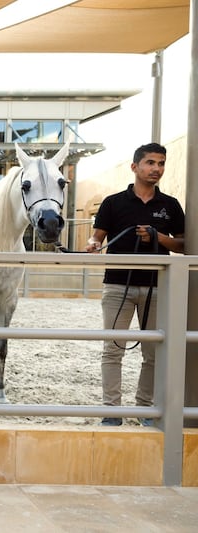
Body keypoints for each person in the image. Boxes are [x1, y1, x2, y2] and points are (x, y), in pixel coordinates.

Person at [86, 142, 185, 427]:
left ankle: (145, 410)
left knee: (153, 351)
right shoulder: (113, 203)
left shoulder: (170, 205)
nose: (157, 169)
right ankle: (111, 411)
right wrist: (92, 245)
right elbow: (97, 237)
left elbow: (184, 244)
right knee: (113, 349)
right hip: (118, 286)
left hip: (157, 287)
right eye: (151, 163)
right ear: (135, 167)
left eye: (161, 163)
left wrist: (158, 238)